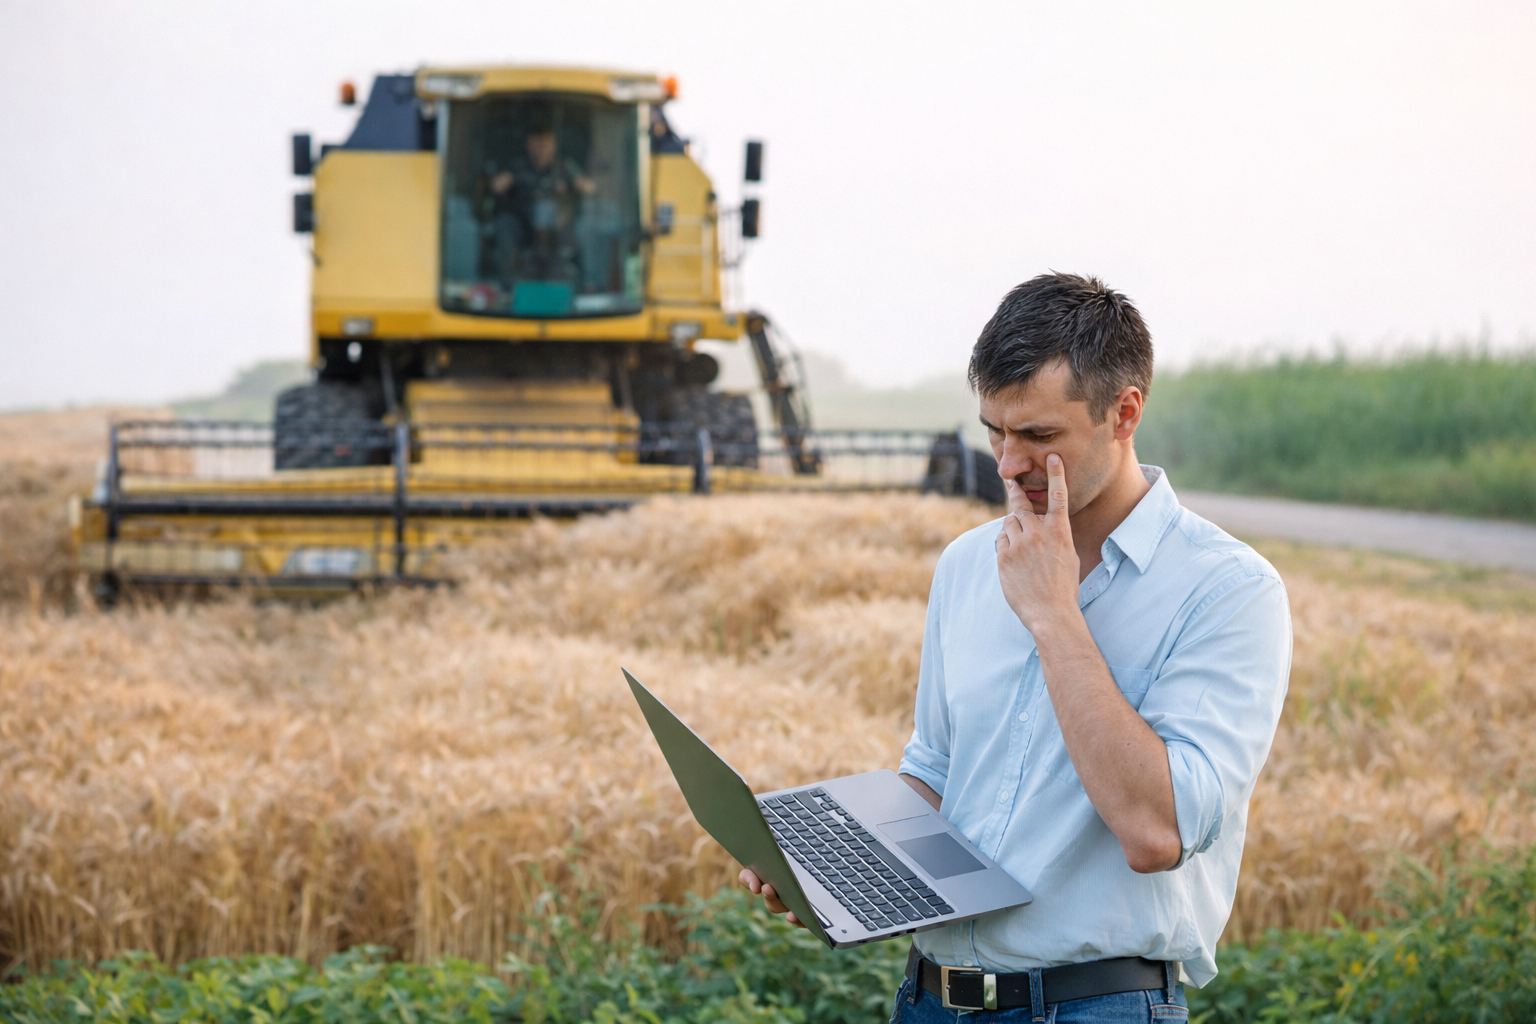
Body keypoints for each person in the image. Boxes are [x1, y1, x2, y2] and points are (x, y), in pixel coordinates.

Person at [741, 273, 1292, 1022]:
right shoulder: (968, 565)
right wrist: (825, 866)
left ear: (1124, 413)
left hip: (1093, 1007)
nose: (1005, 464)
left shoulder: (1227, 590)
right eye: (994, 431)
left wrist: (1055, 614)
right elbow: (935, 775)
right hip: (927, 999)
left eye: (1038, 437)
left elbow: (1156, 829)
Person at [485, 125, 595, 281]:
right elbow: (497, 186)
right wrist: (508, 180)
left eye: (545, 144)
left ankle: (582, 283)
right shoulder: (518, 166)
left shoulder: (563, 167)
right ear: (528, 146)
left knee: (584, 228)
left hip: (557, 228)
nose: (541, 149)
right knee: (504, 224)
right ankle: (507, 283)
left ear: (553, 145)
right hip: (523, 227)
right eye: (536, 144)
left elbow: (588, 187)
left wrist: (574, 185)